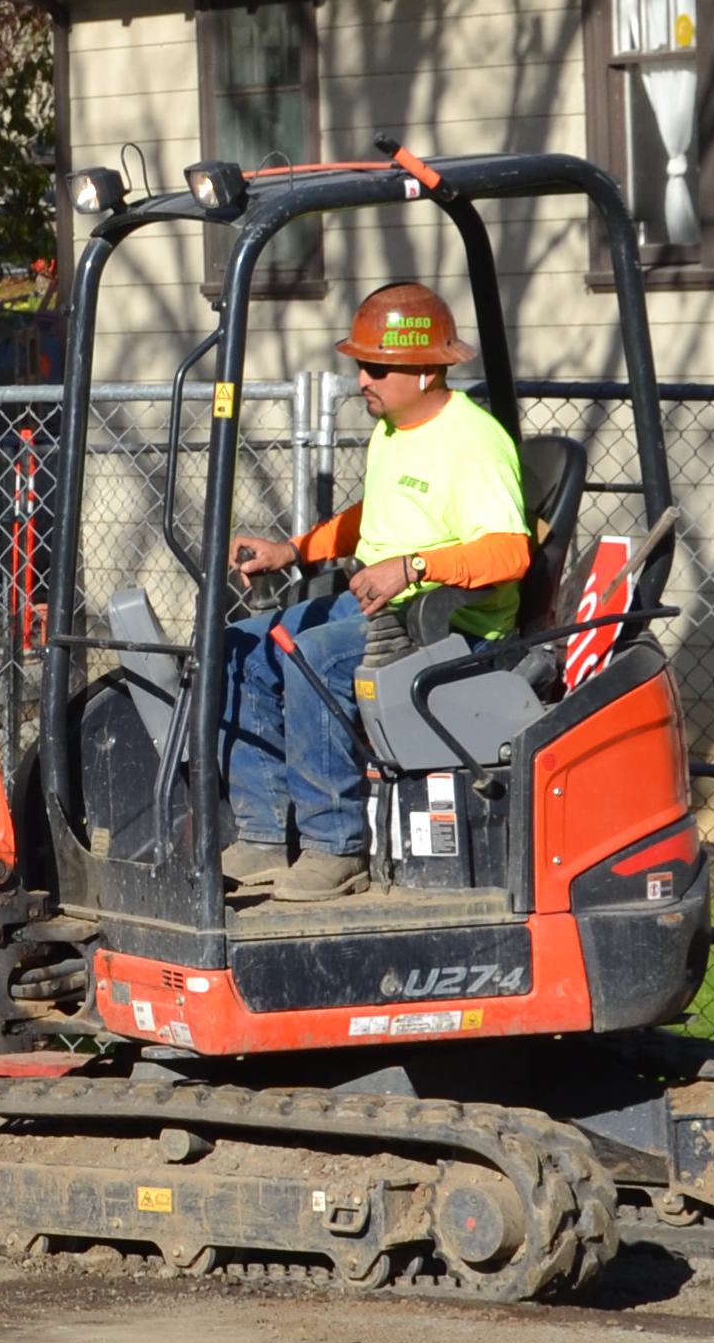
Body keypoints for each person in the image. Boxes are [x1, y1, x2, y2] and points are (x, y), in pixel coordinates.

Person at [215, 281, 538, 901]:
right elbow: (374, 518)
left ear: (424, 371)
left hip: (453, 627)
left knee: (313, 658)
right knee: (243, 647)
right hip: (383, 606)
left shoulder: (473, 443)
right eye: (360, 364)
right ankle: (262, 834)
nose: (362, 377)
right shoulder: (392, 429)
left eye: (376, 367)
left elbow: (509, 552)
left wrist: (410, 569)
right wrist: (292, 551)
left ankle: (336, 850)